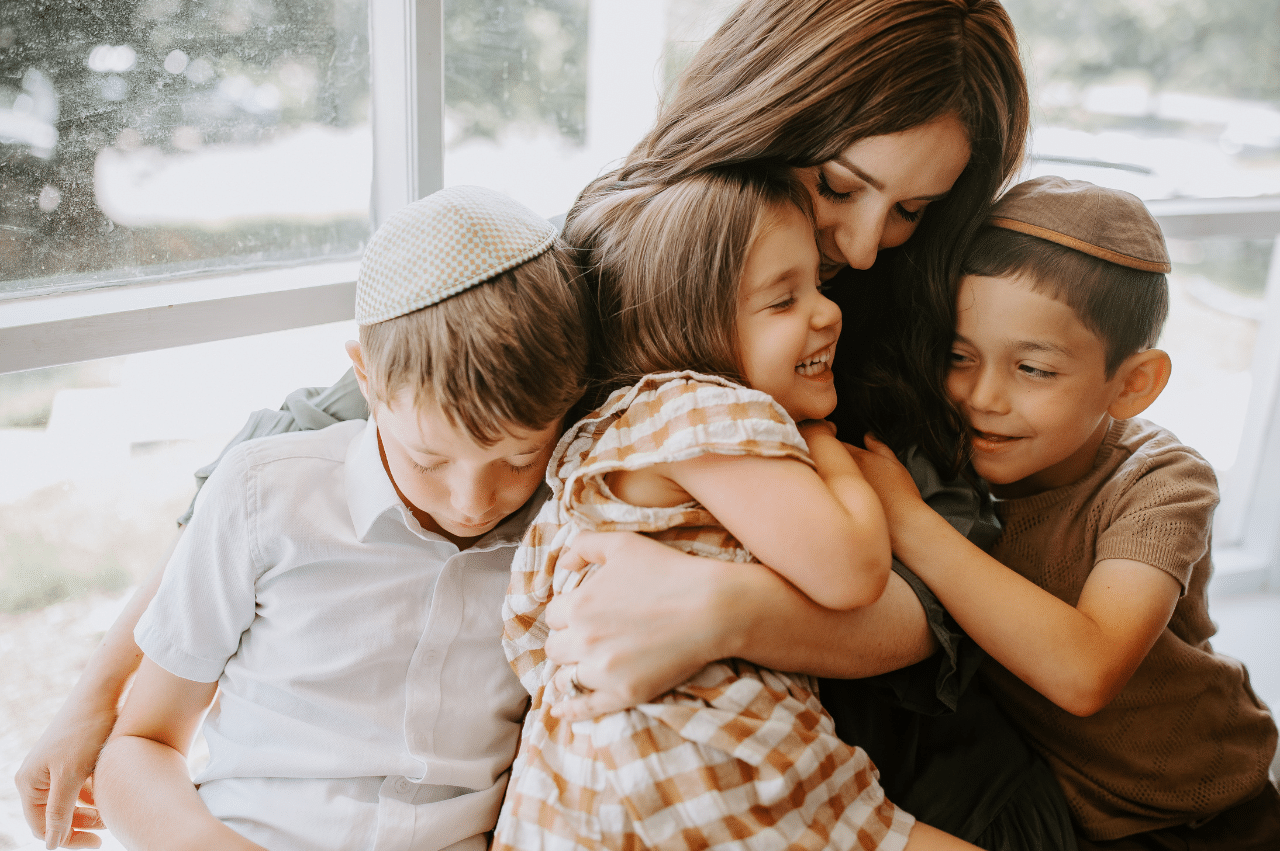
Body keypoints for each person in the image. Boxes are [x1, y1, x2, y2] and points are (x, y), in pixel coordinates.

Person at [17, 1, 1055, 848]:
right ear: (761, 116)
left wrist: (727, 609)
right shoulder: (622, 267)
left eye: (913, 211)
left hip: (822, 759)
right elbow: (307, 444)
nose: (866, 246)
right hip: (617, 777)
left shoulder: (880, 331)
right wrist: (97, 700)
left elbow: (940, 593)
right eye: (838, 186)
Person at [90, 186, 591, 851]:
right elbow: (140, 745)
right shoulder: (265, 498)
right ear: (366, 378)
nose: (473, 500)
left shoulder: (564, 529)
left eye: (519, 456)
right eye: (430, 457)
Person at [496, 166, 981, 851]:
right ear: (692, 329)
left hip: (594, 785)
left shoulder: (616, 439)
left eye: (817, 283)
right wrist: (830, 448)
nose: (827, 311)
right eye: (783, 300)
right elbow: (851, 569)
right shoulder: (705, 413)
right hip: (699, 765)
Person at [850, 176, 1280, 850]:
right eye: (959, 356)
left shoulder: (1164, 482)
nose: (983, 395)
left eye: (1035, 369)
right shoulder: (950, 445)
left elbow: (1086, 672)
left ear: (1132, 383)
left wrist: (907, 517)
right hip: (1066, 799)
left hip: (1195, 808)